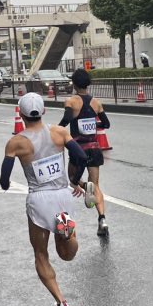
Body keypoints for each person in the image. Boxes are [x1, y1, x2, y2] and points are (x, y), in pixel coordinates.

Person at [1, 92, 89, 306]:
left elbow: (3, 181)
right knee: (67, 252)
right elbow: (81, 156)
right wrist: (75, 179)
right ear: (44, 111)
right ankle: (66, 236)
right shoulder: (59, 133)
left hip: (39, 201)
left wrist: (7, 180)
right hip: (62, 198)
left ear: (20, 114)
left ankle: (62, 304)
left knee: (41, 254)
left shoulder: (16, 142)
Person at [59, 68, 111, 237]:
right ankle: (102, 219)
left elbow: (66, 120)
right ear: (88, 83)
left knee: (72, 179)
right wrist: (94, 127)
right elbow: (106, 123)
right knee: (96, 184)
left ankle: (83, 186)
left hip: (78, 148)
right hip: (95, 148)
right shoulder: (96, 102)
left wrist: (57, 131)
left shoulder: (71, 101)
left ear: (74, 84)